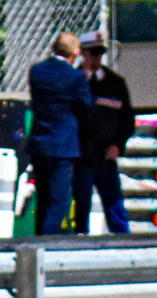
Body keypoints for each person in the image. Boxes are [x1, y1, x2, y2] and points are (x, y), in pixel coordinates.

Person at [25, 30, 92, 236]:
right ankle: (47, 243)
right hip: (63, 147)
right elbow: (87, 106)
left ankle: (37, 244)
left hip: (39, 143)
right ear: (76, 53)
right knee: (59, 203)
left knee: (43, 198)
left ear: (53, 48)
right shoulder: (76, 77)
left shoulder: (37, 71)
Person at [74, 33, 136, 234]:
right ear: (83, 53)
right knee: (81, 208)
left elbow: (127, 119)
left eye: (101, 52)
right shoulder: (74, 81)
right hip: (82, 155)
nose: (97, 57)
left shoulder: (115, 84)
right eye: (93, 52)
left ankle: (123, 247)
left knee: (115, 206)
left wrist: (119, 145)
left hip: (106, 156)